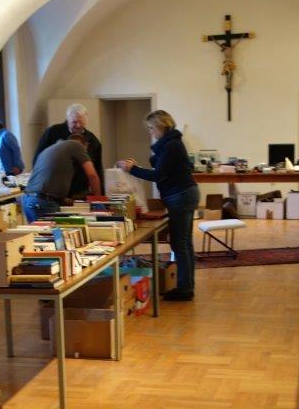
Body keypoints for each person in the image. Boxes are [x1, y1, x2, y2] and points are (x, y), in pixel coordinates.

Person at [118, 110, 200, 302]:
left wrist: (133, 169)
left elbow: (158, 175)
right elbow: (161, 169)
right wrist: (137, 168)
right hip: (184, 194)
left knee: (179, 244)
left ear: (161, 126)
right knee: (185, 243)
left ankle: (185, 289)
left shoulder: (171, 145)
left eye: (151, 128)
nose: (150, 132)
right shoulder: (172, 143)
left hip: (180, 196)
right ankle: (187, 285)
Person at [22, 134, 101, 222]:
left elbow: (48, 181)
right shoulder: (77, 145)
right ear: (85, 145)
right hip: (44, 202)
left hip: (28, 199)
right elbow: (92, 176)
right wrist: (98, 203)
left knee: (40, 231)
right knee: (57, 230)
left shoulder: (52, 148)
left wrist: (63, 199)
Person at [33, 104, 104, 198]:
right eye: (74, 122)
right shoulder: (53, 132)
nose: (78, 126)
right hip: (53, 189)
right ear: (67, 119)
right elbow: (38, 159)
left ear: (86, 121)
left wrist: (100, 197)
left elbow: (97, 170)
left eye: (81, 122)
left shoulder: (93, 141)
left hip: (80, 190)